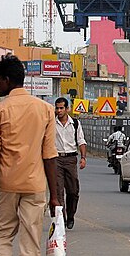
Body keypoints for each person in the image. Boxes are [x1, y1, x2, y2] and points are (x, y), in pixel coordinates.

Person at [0, 55, 59, 256]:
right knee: (31, 241)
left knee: (3, 236)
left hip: (7, 184)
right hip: (35, 185)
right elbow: (49, 155)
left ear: (7, 80)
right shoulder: (46, 110)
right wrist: (55, 196)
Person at [54, 97, 87, 230]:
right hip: (56, 159)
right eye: (57, 108)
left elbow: (81, 141)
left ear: (67, 109)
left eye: (61, 108)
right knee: (58, 191)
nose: (59, 110)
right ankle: (61, 219)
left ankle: (71, 215)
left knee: (73, 191)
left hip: (71, 160)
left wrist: (83, 157)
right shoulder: (51, 123)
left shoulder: (75, 124)